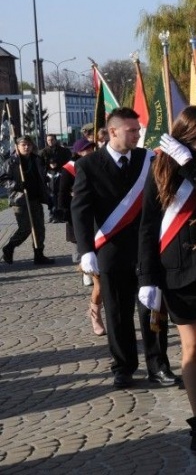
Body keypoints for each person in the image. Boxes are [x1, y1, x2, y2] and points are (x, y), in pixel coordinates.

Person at [137, 106, 196, 455]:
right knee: (191, 349)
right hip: (176, 270)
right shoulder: (160, 166)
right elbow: (149, 225)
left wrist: (190, 161)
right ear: (186, 136)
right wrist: (147, 277)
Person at [71, 108, 177, 390]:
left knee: (153, 309)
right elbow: (80, 211)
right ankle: (123, 366)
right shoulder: (89, 165)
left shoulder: (148, 160)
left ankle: (158, 365)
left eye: (138, 129)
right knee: (118, 312)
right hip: (111, 250)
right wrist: (86, 250)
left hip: (147, 249)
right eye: (132, 130)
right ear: (113, 132)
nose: (138, 134)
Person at [57, 138, 105, 335]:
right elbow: (65, 198)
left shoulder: (105, 168)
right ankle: (95, 312)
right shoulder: (71, 169)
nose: (90, 151)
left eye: (92, 148)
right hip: (91, 231)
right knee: (100, 285)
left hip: (111, 229)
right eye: (86, 149)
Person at [1, 135, 55, 265]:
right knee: (25, 228)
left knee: (39, 228)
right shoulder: (11, 162)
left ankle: (39, 254)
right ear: (17, 146)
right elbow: (3, 179)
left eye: (28, 145)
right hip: (20, 199)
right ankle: (9, 247)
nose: (26, 147)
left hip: (35, 198)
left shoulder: (36, 159)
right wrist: (16, 185)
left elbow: (42, 175)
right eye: (23, 145)